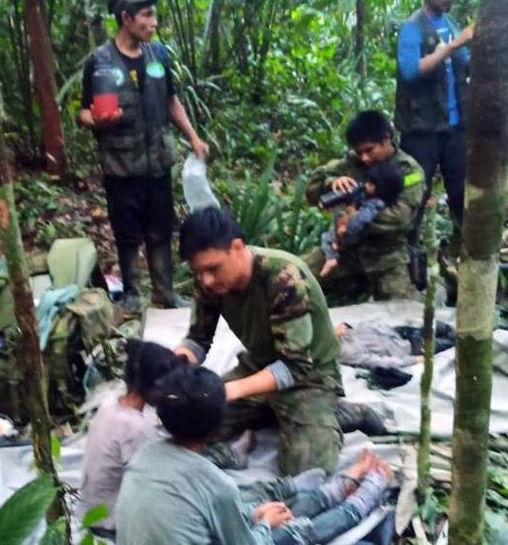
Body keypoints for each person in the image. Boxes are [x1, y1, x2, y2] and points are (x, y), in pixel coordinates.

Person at [115, 365, 393, 545]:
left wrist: (254, 514)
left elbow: (205, 513)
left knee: (268, 505)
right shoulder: (215, 485)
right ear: (217, 424)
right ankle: (359, 500)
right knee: (294, 533)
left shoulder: (143, 457)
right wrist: (263, 526)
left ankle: (333, 490)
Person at [173, 207, 353, 475]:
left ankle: (339, 414)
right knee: (187, 423)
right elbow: (199, 338)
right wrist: (176, 363)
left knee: (307, 469)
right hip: (258, 366)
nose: (206, 280)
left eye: (212, 269)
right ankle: (272, 412)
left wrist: (231, 391)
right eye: (199, 272)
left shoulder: (283, 277)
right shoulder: (209, 281)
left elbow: (295, 366)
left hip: (309, 376)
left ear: (237, 247)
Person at [78, 0, 209, 312]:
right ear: (126, 18)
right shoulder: (99, 61)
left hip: (157, 162)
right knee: (126, 232)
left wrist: (193, 136)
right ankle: (133, 294)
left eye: (155, 16)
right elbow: (82, 112)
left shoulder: (159, 55)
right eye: (147, 16)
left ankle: (164, 292)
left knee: (161, 229)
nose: (154, 23)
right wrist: (95, 119)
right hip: (121, 165)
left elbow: (170, 101)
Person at [305, 111, 424, 305]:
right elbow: (310, 192)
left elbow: (400, 218)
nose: (365, 158)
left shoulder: (408, 170)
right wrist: (332, 183)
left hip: (387, 256)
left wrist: (352, 218)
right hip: (345, 252)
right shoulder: (351, 162)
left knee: (406, 314)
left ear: (387, 138)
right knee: (295, 279)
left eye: (370, 150)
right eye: (359, 152)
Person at [79, 339, 185, 538]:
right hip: (110, 522)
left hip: (90, 510)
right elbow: (157, 481)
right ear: (155, 387)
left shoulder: (110, 403)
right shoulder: (136, 428)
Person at [395, 0, 473, 232]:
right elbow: (410, 71)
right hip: (421, 131)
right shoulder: (412, 27)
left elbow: (466, 61)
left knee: (461, 192)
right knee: (415, 193)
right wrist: (451, 47)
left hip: (454, 128)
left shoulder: (450, 24)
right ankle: (410, 255)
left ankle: (463, 251)